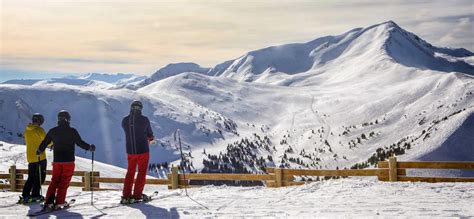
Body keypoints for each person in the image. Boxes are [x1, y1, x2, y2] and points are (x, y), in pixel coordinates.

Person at [36, 110, 95, 209]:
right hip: (68, 161)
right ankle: (59, 202)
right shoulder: (72, 131)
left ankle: (48, 201)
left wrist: (39, 150)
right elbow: (80, 143)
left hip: (57, 161)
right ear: (68, 119)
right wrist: (89, 147)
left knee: (54, 181)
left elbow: (45, 142)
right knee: (64, 181)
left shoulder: (53, 131)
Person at [121, 100, 154, 204]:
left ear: (131, 108)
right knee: (141, 172)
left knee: (130, 172)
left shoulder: (125, 120)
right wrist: (150, 138)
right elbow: (150, 133)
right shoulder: (144, 120)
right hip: (143, 150)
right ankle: (137, 195)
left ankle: (126, 195)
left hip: (130, 151)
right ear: (140, 109)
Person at [19, 113, 48, 204]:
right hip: (40, 157)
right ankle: (35, 195)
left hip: (30, 158)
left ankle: (25, 194)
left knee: (31, 177)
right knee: (40, 177)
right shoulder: (39, 130)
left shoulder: (27, 130)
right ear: (40, 121)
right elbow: (47, 141)